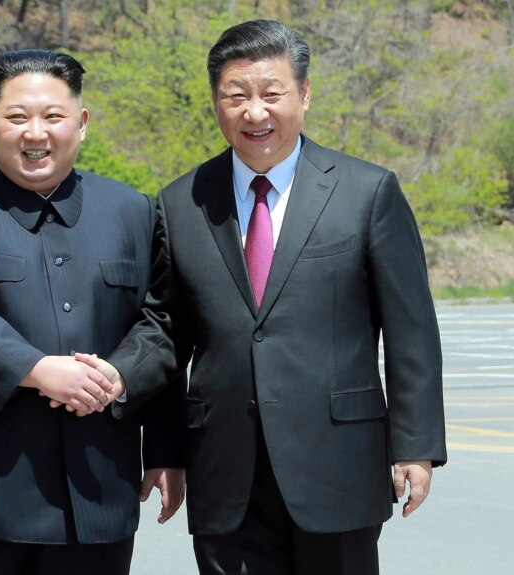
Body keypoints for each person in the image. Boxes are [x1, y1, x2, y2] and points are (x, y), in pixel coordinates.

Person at [76, 20, 447, 575]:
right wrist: (163, 444)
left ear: (304, 93)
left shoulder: (366, 192)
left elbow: (411, 329)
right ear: (215, 101)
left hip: (337, 466)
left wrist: (414, 445)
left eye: (272, 94)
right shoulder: (181, 202)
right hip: (224, 470)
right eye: (237, 96)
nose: (255, 113)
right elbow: (167, 331)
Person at [0, 49, 185, 575]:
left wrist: (164, 447)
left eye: (53, 116)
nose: (36, 133)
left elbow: (163, 322)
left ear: (81, 123)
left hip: (97, 491)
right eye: (16, 117)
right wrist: (38, 371)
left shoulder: (134, 212)